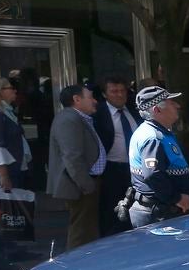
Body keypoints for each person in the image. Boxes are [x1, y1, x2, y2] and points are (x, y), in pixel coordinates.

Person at [0, 78, 32, 269]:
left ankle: (11, 249)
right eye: (11, 88)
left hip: (11, 169)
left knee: (10, 212)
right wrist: (3, 175)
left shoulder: (5, 113)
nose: (15, 91)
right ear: (0, 92)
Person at [47, 84, 105, 250]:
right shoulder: (68, 119)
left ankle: (85, 263)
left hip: (86, 182)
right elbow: (72, 157)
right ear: (77, 99)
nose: (94, 101)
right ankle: (76, 268)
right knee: (81, 230)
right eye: (90, 97)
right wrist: (86, 185)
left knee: (87, 228)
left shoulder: (78, 118)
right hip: (79, 185)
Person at [128, 87, 189, 228]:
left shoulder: (156, 132)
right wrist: (177, 198)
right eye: (171, 102)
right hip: (159, 214)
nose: (177, 105)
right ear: (157, 110)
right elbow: (153, 174)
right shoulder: (153, 138)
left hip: (161, 210)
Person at [92, 75, 141, 236]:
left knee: (135, 208)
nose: (119, 95)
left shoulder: (134, 111)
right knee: (112, 211)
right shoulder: (98, 114)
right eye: (114, 91)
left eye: (122, 91)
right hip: (111, 169)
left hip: (135, 169)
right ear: (105, 94)